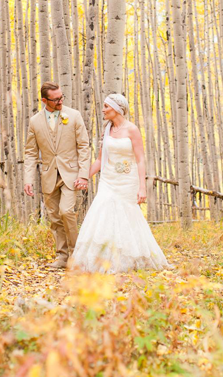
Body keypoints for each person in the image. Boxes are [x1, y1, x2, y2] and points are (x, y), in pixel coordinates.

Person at [68, 94, 170, 273]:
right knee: (103, 213)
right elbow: (100, 160)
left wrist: (141, 186)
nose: (103, 110)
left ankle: (130, 258)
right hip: (108, 179)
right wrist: (84, 176)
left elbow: (140, 160)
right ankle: (102, 260)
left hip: (127, 180)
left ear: (116, 109)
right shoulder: (106, 130)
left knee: (127, 217)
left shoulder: (132, 130)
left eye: (107, 107)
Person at [23, 82, 92, 269]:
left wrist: (84, 175)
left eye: (62, 97)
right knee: (54, 218)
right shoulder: (34, 121)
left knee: (67, 211)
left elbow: (84, 147)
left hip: (71, 174)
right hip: (48, 175)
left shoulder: (74, 116)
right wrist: (28, 179)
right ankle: (62, 257)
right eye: (56, 99)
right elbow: (30, 152)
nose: (61, 101)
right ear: (45, 100)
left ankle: (76, 255)